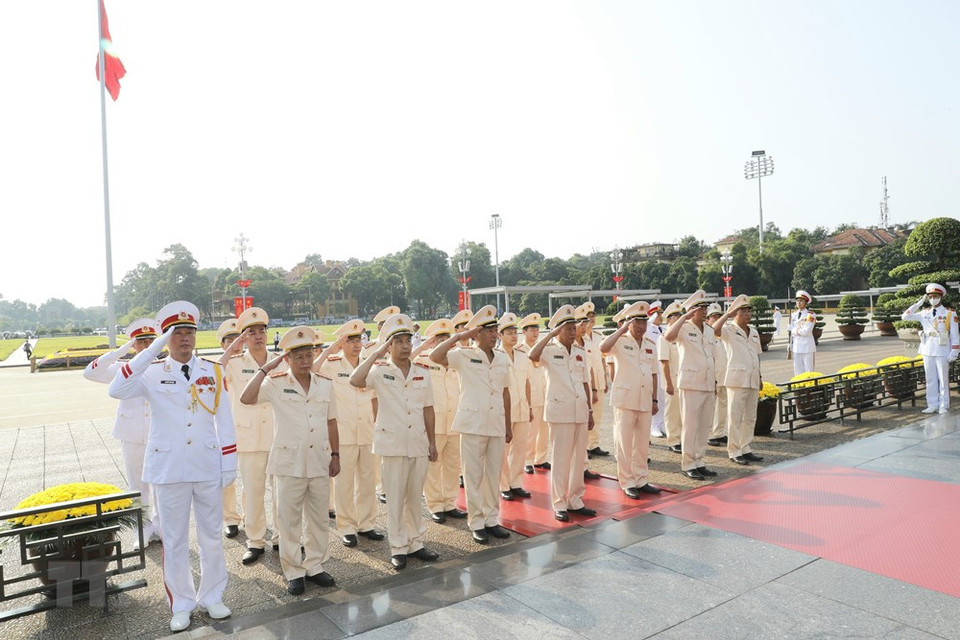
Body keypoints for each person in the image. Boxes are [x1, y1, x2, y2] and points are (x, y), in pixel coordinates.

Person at [109, 301, 236, 633]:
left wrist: (229, 461)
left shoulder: (213, 371)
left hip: (207, 465)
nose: (184, 339)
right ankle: (181, 602)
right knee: (175, 541)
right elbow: (116, 388)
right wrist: (151, 350)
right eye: (176, 333)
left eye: (189, 332)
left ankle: (212, 596)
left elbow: (225, 420)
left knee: (211, 537)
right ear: (165, 338)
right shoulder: (151, 373)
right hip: (169, 469)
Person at [240, 326, 339, 595]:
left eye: (309, 354)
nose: (305, 361)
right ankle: (293, 571)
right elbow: (246, 398)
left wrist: (335, 454)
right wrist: (266, 368)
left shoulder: (325, 383)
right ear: (288, 359)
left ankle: (315, 566)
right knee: (288, 521)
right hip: (288, 462)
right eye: (299, 357)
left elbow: (331, 421)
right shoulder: (276, 383)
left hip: (319, 459)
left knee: (319, 519)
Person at [350, 313, 439, 570]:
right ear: (389, 345)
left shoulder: (422, 371)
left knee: (414, 497)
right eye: (398, 340)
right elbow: (355, 380)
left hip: (418, 443)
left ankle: (416, 543)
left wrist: (432, 442)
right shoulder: (379, 372)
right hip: (392, 445)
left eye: (407, 340)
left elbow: (428, 409)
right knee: (396, 497)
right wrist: (376, 354)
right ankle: (398, 547)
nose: (404, 345)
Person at [429, 305, 512, 544]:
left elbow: (505, 392)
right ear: (476, 334)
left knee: (493, 474)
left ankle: (491, 519)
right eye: (489, 331)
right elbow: (435, 356)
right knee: (473, 475)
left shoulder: (502, 357)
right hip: (473, 424)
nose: (495, 335)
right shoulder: (464, 355)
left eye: (495, 330)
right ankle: (476, 522)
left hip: (495, 422)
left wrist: (507, 424)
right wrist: (458, 337)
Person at [84, 317, 162, 549]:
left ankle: (162, 527)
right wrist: (122, 350)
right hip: (132, 433)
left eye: (150, 340)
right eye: (140, 341)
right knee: (137, 485)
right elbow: (90, 373)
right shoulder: (121, 369)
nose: (147, 345)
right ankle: (144, 528)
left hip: (160, 434)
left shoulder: (165, 366)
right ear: (134, 344)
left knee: (161, 483)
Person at [314, 319, 384, 547]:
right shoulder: (333, 364)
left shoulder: (368, 363)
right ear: (342, 343)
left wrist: (378, 426)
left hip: (366, 431)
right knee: (344, 484)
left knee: (368, 481)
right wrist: (328, 350)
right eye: (350, 340)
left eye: (358, 340)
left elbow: (374, 399)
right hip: (343, 434)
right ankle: (346, 526)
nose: (356, 345)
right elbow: (312, 371)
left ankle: (367, 524)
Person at [218, 308, 279, 564]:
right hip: (249, 436)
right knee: (253, 492)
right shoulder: (234, 363)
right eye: (250, 333)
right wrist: (233, 347)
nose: (257, 336)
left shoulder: (279, 360)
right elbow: (215, 370)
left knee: (280, 492)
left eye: (261, 331)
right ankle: (255, 541)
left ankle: (281, 537)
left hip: (277, 435)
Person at [527, 305, 596, 523]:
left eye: (574, 328)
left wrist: (590, 410)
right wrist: (550, 336)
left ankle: (575, 499)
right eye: (568, 328)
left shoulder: (579, 352)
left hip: (580, 411)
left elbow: (585, 381)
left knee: (578, 459)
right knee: (560, 459)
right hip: (560, 411)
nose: (573, 332)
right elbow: (532, 355)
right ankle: (559, 502)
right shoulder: (549, 350)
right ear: (558, 331)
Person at [599, 301, 662, 499]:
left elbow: (653, 374)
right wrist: (622, 330)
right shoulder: (619, 341)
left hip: (644, 399)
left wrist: (654, 400)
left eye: (644, 322)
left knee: (642, 443)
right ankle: (627, 481)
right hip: (625, 399)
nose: (641, 326)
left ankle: (641, 479)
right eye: (636, 322)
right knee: (624, 443)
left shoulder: (651, 344)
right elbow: (603, 347)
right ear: (628, 323)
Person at [412, 318, 468, 524]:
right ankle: (435, 505)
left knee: (453, 464)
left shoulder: (456, 360)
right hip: (434, 423)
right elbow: (404, 360)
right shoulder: (424, 359)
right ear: (434, 341)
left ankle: (450, 503)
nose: (447, 342)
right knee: (434, 466)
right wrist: (424, 346)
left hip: (454, 420)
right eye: (441, 339)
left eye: (449, 339)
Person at [664, 291, 718, 481]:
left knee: (704, 426)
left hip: (708, 383)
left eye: (705, 307)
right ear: (691, 310)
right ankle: (688, 463)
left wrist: (716, 381)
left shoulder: (710, 330)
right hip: (691, 383)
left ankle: (699, 461)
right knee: (690, 425)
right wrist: (684, 317)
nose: (704, 311)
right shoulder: (683, 328)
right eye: (700, 308)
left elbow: (712, 357)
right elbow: (668, 337)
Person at [713, 295, 764, 465]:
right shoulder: (729, 330)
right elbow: (713, 330)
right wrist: (727, 315)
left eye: (749, 310)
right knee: (735, 417)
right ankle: (734, 450)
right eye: (743, 311)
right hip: (736, 379)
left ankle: (745, 447)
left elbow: (756, 356)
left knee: (750, 417)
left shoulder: (754, 331)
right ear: (735, 313)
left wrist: (760, 376)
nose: (747, 314)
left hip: (753, 378)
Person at [902, 283, 960, 414]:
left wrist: (955, 351)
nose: (933, 299)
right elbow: (905, 317)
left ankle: (943, 405)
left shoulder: (949, 314)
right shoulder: (924, 313)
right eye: (930, 297)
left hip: (943, 349)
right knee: (930, 378)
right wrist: (918, 303)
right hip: (927, 348)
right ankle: (932, 404)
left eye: (935, 296)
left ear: (941, 297)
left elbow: (955, 335)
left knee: (943, 379)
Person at [495, 312, 533, 503]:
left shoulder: (521, 354)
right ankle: (504, 485)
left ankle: (516, 482)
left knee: (520, 448)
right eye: (509, 332)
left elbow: (526, 382)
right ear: (500, 335)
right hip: (504, 410)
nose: (513, 335)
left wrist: (530, 405)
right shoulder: (496, 356)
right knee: (503, 450)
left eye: (514, 332)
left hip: (522, 407)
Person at [215, 319, 244, 540]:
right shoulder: (218, 365)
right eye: (231, 340)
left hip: (251, 428)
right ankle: (231, 519)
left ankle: (252, 518)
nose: (236, 344)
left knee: (254, 480)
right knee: (228, 480)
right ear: (223, 344)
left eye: (240, 339)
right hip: (227, 430)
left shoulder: (253, 361)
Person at [516, 313, 549, 474]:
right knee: (531, 431)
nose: (536, 333)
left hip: (544, 392)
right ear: (524, 332)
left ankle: (541, 458)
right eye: (532, 330)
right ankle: (527, 460)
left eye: (537, 329)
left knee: (544, 430)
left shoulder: (542, 348)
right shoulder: (519, 350)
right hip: (531, 395)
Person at [576, 302, 609, 458]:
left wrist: (605, 377)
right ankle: (586, 447)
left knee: (598, 414)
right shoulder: (579, 340)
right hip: (586, 382)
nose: (591, 321)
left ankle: (594, 444)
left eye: (593, 317)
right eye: (588, 319)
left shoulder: (598, 337)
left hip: (598, 380)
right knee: (585, 414)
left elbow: (602, 359)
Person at [658, 302, 684, 453]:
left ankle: (681, 437)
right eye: (676, 316)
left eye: (680, 316)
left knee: (683, 412)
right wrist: (668, 383)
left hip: (684, 379)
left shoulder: (681, 336)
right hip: (672, 380)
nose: (679, 319)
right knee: (673, 412)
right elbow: (664, 362)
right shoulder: (664, 338)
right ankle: (673, 440)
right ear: (668, 320)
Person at [706, 304, 728, 447]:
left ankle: (719, 432)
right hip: (712, 376)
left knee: (722, 406)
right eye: (714, 316)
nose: (717, 318)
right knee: (710, 407)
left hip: (725, 375)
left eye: (719, 316)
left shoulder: (724, 334)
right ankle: (709, 434)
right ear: (707, 319)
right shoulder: (706, 334)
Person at [645, 301, 667, 438]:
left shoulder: (662, 330)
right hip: (652, 367)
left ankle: (661, 423)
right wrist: (651, 317)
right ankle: (653, 426)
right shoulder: (648, 328)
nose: (661, 316)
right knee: (653, 397)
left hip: (662, 367)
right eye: (659, 314)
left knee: (663, 397)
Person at [789, 291, 817, 375]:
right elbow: (791, 334)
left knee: (809, 372)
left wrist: (793, 330)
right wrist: (790, 344)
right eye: (797, 301)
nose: (799, 303)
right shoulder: (793, 314)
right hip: (796, 347)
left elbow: (806, 331)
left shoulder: (810, 315)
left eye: (801, 301)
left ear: (806, 303)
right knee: (797, 372)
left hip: (807, 347)